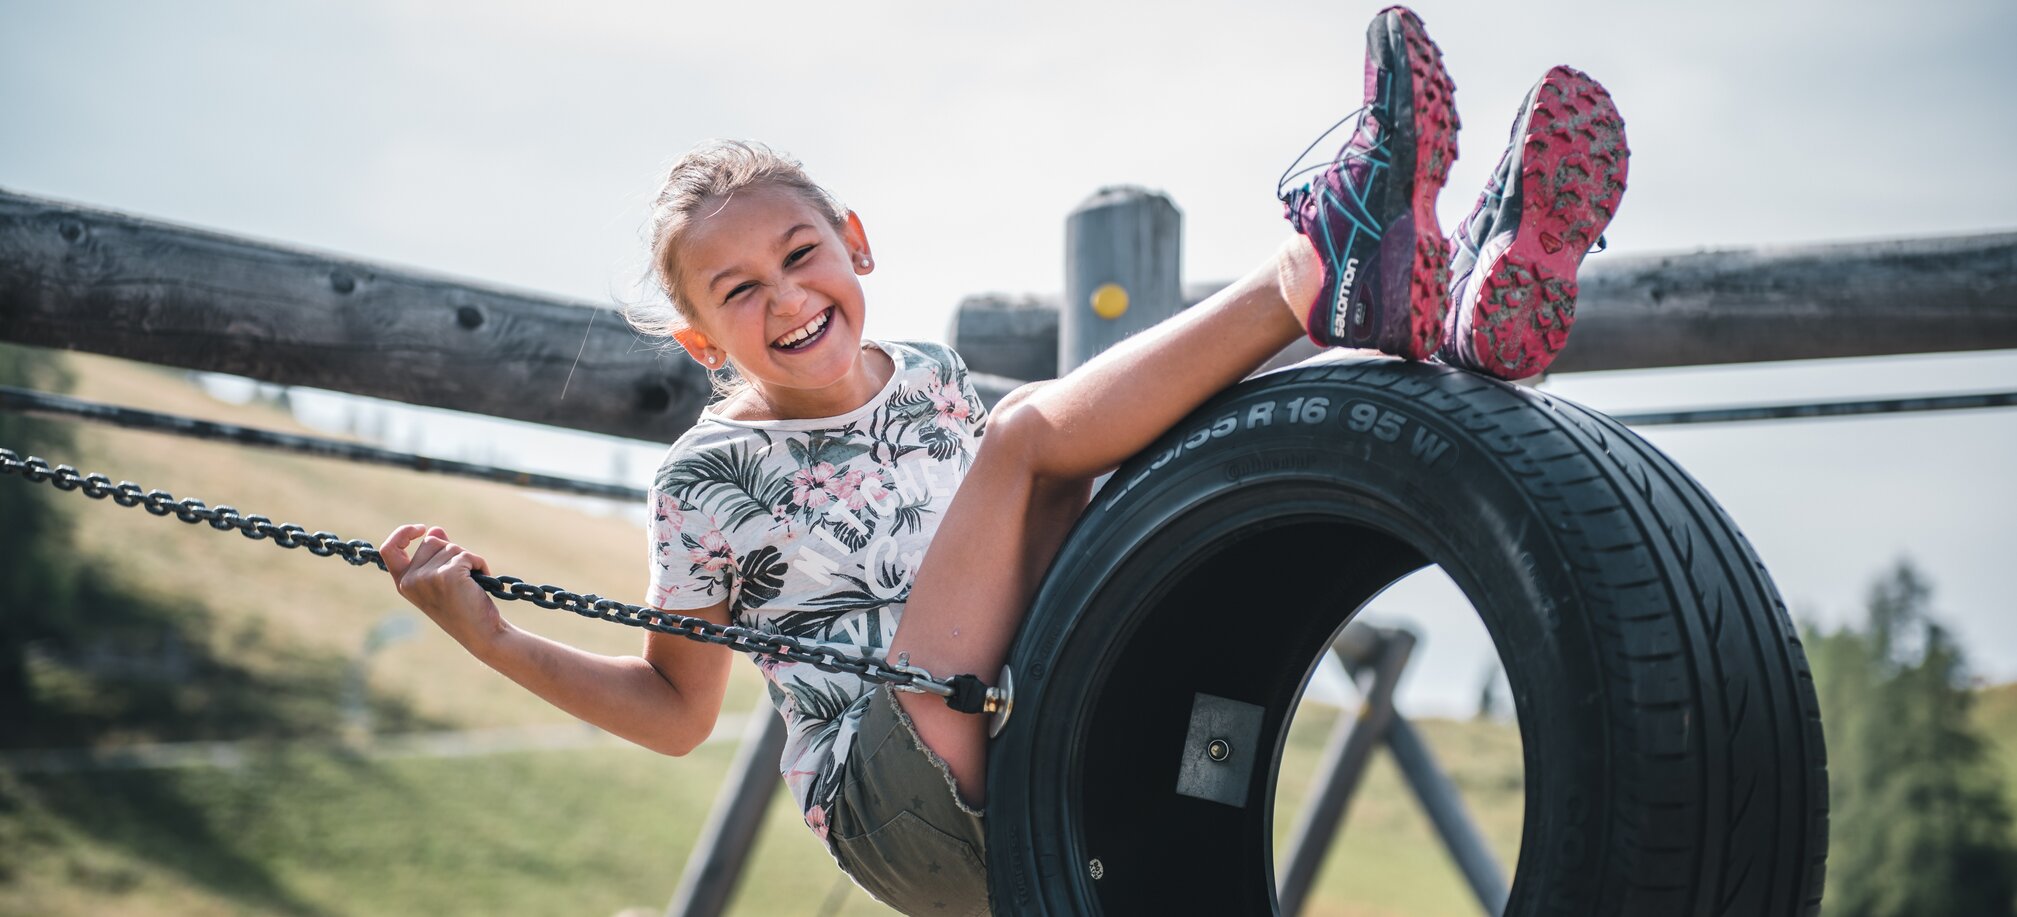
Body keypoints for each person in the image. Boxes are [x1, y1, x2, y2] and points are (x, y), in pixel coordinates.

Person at [377, 7, 1628, 914]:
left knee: (1086, 462)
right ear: (706, 339)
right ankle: (1318, 269)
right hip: (900, 797)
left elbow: (1038, 523)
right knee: (1032, 432)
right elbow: (673, 711)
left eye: (802, 252)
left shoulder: (921, 373)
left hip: (1014, 718)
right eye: (741, 290)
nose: (788, 296)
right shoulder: (704, 481)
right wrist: (492, 638)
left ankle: (1430, 305)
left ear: (855, 244)